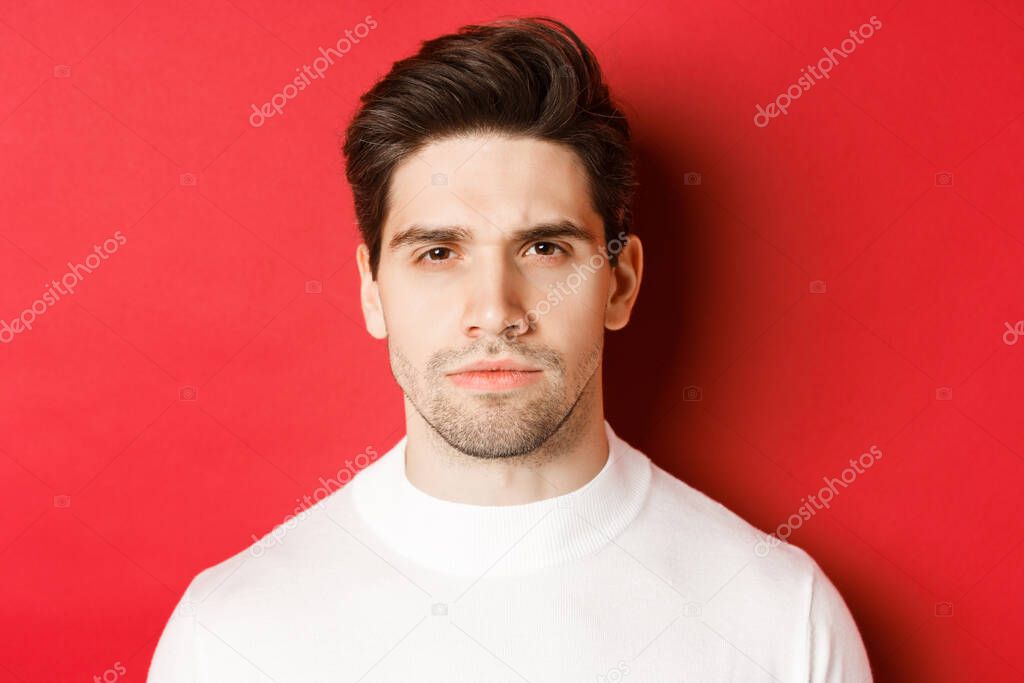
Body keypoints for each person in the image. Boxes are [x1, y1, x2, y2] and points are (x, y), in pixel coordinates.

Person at [148, 16, 873, 682]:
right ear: (373, 291)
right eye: (437, 252)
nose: (496, 311)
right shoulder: (233, 636)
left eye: (545, 247)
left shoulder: (781, 619)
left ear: (619, 283)